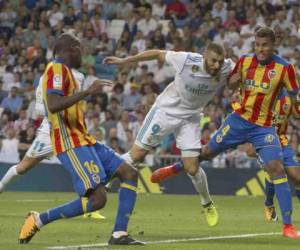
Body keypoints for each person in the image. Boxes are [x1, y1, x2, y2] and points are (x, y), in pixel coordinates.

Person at [151, 27, 300, 238]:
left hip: (264, 127)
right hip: (238, 121)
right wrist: (234, 82)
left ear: (273, 44)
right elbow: (231, 86)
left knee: (276, 168)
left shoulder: (285, 68)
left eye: (264, 45)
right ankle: (175, 168)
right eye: (257, 45)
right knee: (208, 153)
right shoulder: (245, 61)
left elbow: (294, 96)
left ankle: (288, 226)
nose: (260, 49)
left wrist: (294, 109)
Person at [18, 33, 143, 245]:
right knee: (98, 199)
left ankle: (119, 233)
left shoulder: (69, 73)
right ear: (71, 49)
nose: (83, 55)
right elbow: (54, 104)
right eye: (80, 50)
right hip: (69, 141)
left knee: (129, 173)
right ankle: (38, 220)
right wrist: (87, 92)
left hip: (85, 139)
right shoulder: (56, 69)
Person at [104, 43, 235, 227]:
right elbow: (157, 53)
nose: (216, 66)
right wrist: (126, 60)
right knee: (136, 155)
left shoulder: (228, 66)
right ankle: (101, 183)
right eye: (213, 61)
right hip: (165, 111)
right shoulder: (187, 60)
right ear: (205, 55)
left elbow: (245, 71)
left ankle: (207, 203)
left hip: (191, 117)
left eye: (220, 62)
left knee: (192, 167)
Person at [0, 68, 105, 219]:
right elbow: (39, 109)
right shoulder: (46, 78)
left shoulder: (79, 76)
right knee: (23, 167)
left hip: (71, 130)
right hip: (49, 132)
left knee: (88, 165)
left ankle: (92, 208)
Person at [242, 88, 300, 222]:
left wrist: (296, 102)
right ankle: (269, 204)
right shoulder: (258, 95)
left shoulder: (288, 99)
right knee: (274, 171)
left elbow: (297, 114)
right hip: (263, 141)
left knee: (298, 177)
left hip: (282, 141)